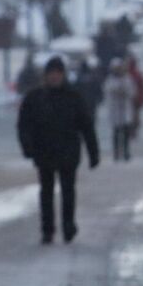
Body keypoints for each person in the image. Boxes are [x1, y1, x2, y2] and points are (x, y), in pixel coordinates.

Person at [17, 55, 99, 244]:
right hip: (44, 152)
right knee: (46, 192)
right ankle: (47, 229)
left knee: (68, 191)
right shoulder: (35, 98)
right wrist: (27, 146)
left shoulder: (74, 97)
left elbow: (86, 125)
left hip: (68, 152)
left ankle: (68, 225)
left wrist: (93, 152)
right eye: (51, 74)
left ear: (63, 75)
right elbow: (24, 125)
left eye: (58, 74)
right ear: (46, 76)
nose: (54, 77)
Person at [103, 61, 137, 162]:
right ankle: (116, 153)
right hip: (115, 109)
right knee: (116, 133)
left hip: (125, 109)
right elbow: (107, 91)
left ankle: (126, 152)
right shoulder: (110, 80)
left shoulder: (127, 79)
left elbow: (132, 92)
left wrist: (124, 91)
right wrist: (116, 90)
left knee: (126, 133)